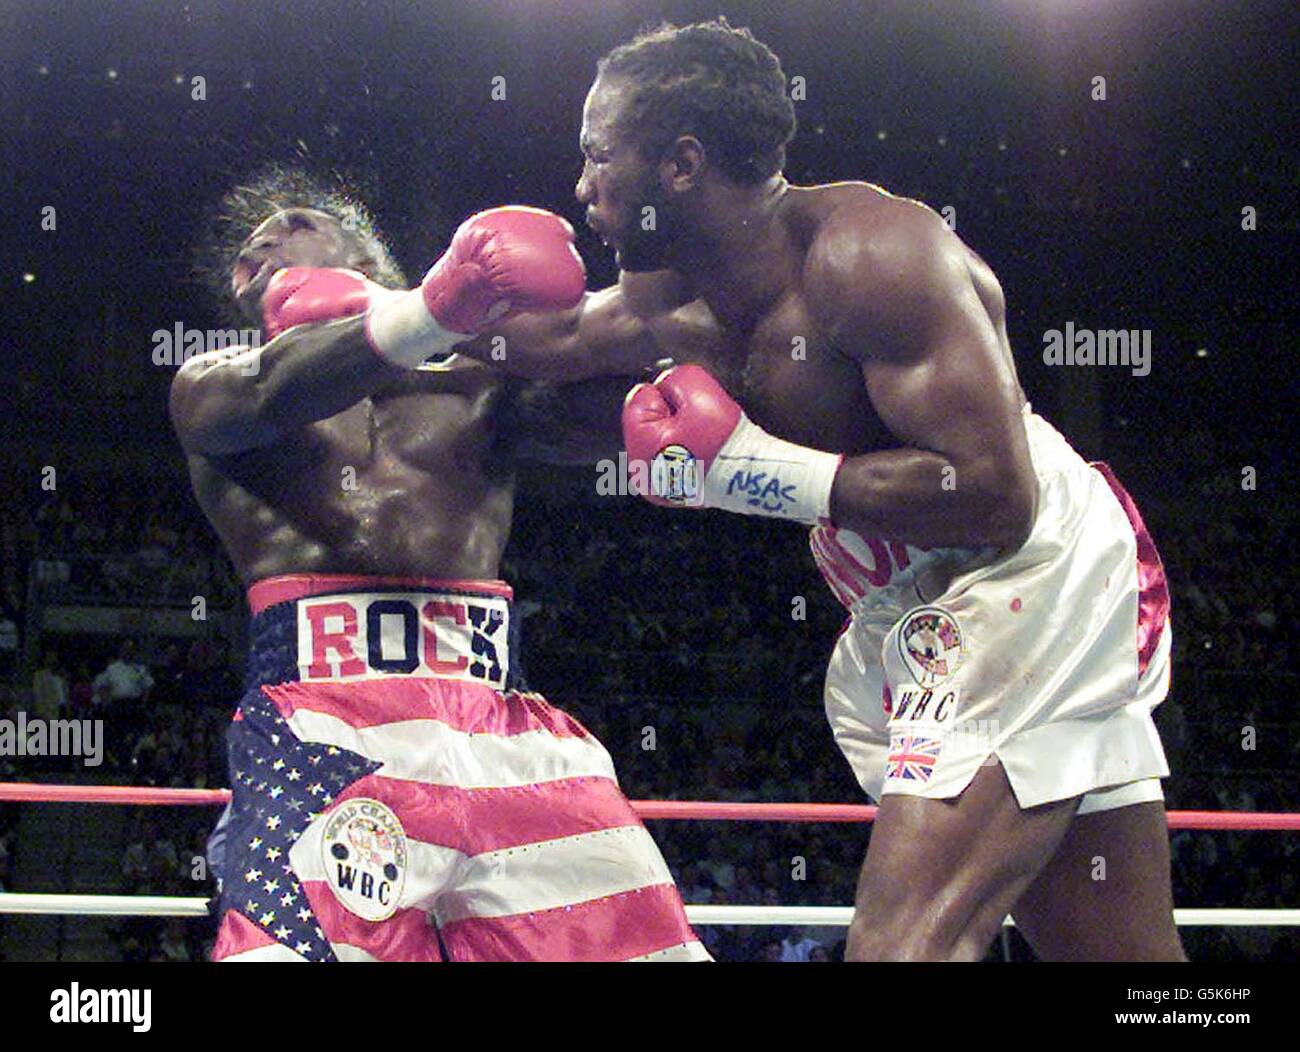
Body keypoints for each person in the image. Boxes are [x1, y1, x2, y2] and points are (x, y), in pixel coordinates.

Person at [483, 18, 1184, 962]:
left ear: (681, 164)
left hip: (1021, 569)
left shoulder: (873, 255)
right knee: (1128, 970)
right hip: (908, 587)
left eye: (598, 156)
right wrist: (403, 316)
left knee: (902, 948)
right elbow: (530, 351)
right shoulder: (673, 297)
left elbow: (990, 494)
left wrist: (747, 471)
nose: (580, 189)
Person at [172, 166, 709, 961]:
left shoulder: (484, 386)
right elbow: (262, 401)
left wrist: (685, 420)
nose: (263, 236)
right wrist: (429, 309)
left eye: (293, 220)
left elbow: (608, 406)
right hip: (323, 726)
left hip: (502, 724)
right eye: (252, 245)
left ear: (371, 255)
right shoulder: (215, 383)